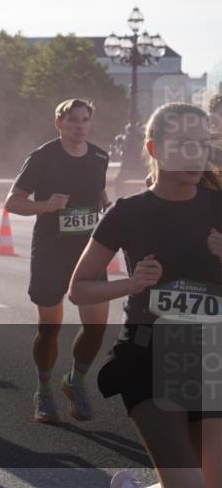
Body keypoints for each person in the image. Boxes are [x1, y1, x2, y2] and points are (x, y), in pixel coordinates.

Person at [69, 102, 222, 488]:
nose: (195, 154)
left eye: (203, 144)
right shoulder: (128, 213)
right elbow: (79, 289)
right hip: (149, 356)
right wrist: (132, 284)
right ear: (154, 149)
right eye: (183, 143)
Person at [4, 99, 111, 423]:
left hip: (89, 253)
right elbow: (12, 202)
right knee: (50, 328)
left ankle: (75, 382)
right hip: (51, 250)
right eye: (73, 120)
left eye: (85, 120)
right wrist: (46, 205)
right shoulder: (42, 157)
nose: (79, 126)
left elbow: (99, 193)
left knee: (96, 327)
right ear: (59, 123)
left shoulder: (99, 157)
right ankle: (44, 390)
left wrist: (106, 204)